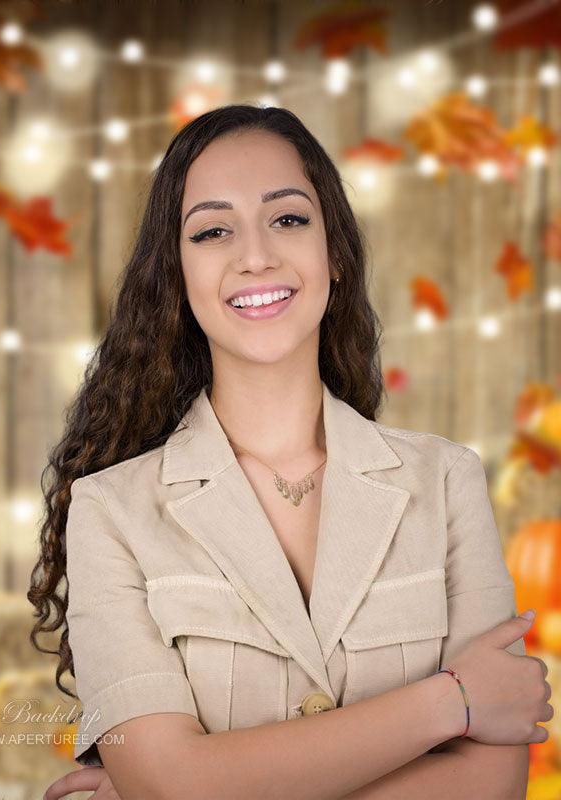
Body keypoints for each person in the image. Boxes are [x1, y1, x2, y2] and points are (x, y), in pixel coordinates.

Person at [28, 104, 553, 800]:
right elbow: (171, 784)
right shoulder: (108, 512)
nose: (255, 256)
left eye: (288, 218)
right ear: (177, 276)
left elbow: (492, 786)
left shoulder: (448, 481)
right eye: (213, 231)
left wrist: (199, 785)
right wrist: (451, 702)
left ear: (333, 250)